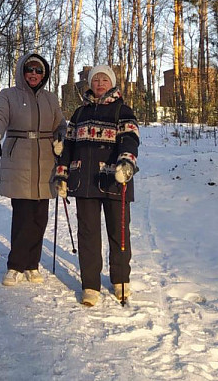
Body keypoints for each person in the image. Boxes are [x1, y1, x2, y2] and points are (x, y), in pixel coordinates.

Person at [55, 65, 139, 306]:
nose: (100, 84)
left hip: (114, 180)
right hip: (84, 182)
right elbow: (68, 146)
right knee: (88, 235)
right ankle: (90, 285)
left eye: (104, 80)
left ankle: (121, 279)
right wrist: (62, 175)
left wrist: (126, 163)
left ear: (111, 83)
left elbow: (130, 140)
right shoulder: (80, 113)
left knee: (118, 231)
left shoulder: (122, 110)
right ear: (90, 84)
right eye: (96, 80)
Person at [0, 53, 66, 286]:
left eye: (38, 70)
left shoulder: (51, 99)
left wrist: (60, 137)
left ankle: (32, 263)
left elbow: (60, 124)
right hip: (19, 157)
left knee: (40, 216)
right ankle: (16, 265)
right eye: (29, 69)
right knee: (23, 214)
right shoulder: (8, 95)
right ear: (22, 71)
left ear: (44, 74)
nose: (33, 74)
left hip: (45, 160)